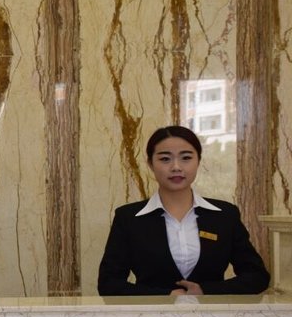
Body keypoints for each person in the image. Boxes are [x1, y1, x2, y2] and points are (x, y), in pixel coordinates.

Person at [98, 125, 270, 296]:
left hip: (212, 313)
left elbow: (257, 276)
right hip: (153, 313)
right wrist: (165, 296)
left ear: (198, 161)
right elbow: (108, 283)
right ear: (150, 164)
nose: (176, 167)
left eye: (186, 158)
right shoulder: (129, 218)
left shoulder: (224, 215)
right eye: (165, 159)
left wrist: (206, 291)